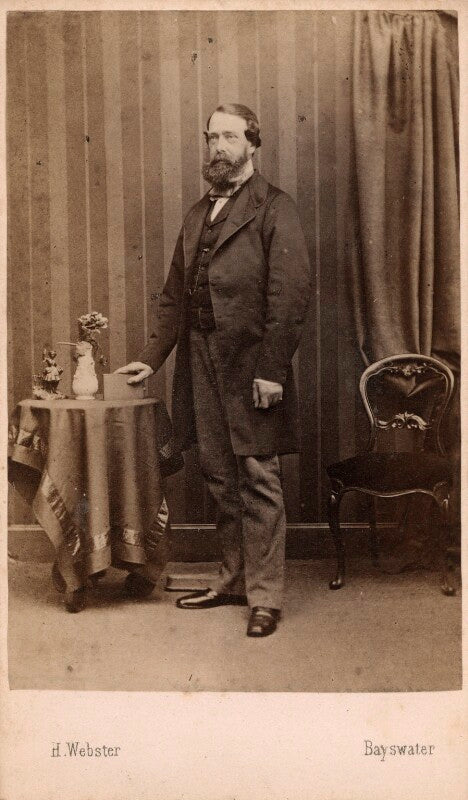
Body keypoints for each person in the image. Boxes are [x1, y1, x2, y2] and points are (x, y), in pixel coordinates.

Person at [117, 104, 311, 637]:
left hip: (252, 364)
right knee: (220, 475)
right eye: (211, 137)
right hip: (201, 359)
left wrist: (273, 370)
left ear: (253, 143)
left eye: (229, 137)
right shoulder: (197, 212)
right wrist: (151, 357)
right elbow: (173, 297)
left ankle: (265, 598)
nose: (218, 147)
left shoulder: (275, 207)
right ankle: (232, 580)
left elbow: (290, 297)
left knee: (258, 477)